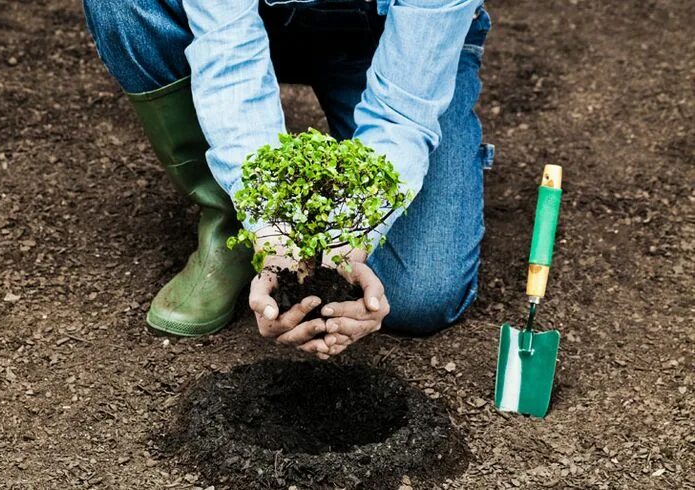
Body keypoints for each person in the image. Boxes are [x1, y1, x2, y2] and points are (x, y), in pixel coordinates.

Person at [83, 0, 493, 359]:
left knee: (418, 296)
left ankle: (324, 211)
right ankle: (231, 223)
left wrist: (351, 239)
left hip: (390, 37)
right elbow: (230, 58)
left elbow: (401, 113)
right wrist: (271, 228)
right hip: (262, 21)